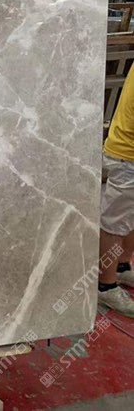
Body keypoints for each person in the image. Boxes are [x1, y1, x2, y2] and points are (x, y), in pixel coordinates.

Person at [98, 67, 134, 317]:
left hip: (128, 153)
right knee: (114, 223)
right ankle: (106, 286)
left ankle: (122, 267)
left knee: (129, 218)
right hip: (128, 156)